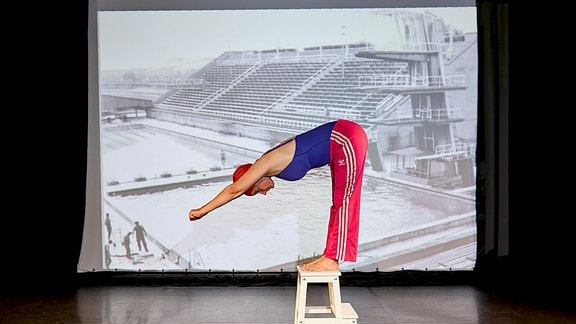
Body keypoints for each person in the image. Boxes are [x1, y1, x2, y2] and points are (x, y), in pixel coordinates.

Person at [189, 119, 368, 272]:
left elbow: (234, 190)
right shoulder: (269, 162)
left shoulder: (264, 164)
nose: (264, 193)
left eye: (259, 190)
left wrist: (202, 211)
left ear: (256, 180)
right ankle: (329, 256)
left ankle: (332, 259)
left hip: (346, 138)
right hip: (340, 143)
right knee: (338, 202)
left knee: (345, 200)